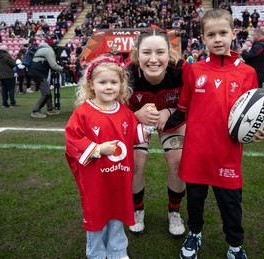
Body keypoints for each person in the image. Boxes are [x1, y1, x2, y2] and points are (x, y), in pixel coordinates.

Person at [164, 9, 264, 259]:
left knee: (231, 205)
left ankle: (235, 246)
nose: (217, 39)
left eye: (223, 33)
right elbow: (182, 108)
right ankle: (194, 233)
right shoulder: (194, 71)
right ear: (202, 38)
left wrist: (261, 129)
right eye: (211, 34)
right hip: (196, 153)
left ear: (233, 34)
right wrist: (156, 124)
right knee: (195, 201)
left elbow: (254, 113)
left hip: (228, 154)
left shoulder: (247, 74)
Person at [65, 56, 154, 259]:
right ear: (91, 84)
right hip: (95, 178)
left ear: (121, 85)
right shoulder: (83, 113)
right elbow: (72, 139)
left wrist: (149, 119)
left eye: (113, 82)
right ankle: (96, 252)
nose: (108, 87)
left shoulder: (124, 112)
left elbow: (136, 136)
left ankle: (117, 250)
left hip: (119, 177)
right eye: (102, 82)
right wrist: (97, 148)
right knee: (97, 214)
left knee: (117, 213)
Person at [125, 27, 191, 236]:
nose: (153, 59)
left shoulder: (182, 70)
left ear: (169, 53)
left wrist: (170, 110)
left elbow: (192, 103)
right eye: (146, 52)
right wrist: (135, 116)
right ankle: (137, 209)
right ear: (137, 53)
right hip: (137, 119)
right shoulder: (127, 75)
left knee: (178, 161)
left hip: (172, 119)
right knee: (135, 163)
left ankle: (174, 212)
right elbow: (113, 109)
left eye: (160, 52)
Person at [27, 42, 63, 118]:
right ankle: (36, 111)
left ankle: (50, 109)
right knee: (46, 93)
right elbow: (53, 65)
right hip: (38, 73)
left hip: (35, 72)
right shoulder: (49, 51)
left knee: (47, 91)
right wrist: (62, 68)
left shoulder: (42, 49)